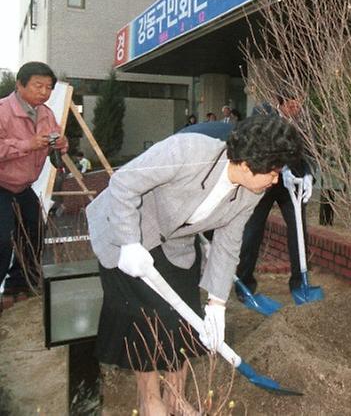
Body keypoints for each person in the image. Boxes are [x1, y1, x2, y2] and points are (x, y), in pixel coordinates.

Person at [87, 115, 302, 415]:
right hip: (126, 228)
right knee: (149, 319)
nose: (275, 179)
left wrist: (217, 304)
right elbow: (123, 182)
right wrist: (129, 242)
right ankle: (150, 400)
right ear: (251, 162)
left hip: (175, 242)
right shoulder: (188, 152)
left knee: (187, 322)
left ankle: (175, 397)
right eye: (274, 172)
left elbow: (228, 244)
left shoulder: (252, 192)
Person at [234, 96, 314, 298]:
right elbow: (255, 144)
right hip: (265, 180)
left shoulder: (304, 120)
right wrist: (280, 166)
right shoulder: (262, 113)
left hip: (291, 184)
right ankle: (245, 283)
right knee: (253, 230)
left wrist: (308, 173)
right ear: (283, 103)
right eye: (294, 105)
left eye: (300, 104)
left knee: (298, 230)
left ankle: (299, 283)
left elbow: (312, 150)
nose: (298, 109)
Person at [0, 62, 67, 296]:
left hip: (22, 186)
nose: (44, 92)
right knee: (3, 240)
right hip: (2, 185)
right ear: (20, 84)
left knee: (34, 231)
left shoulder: (46, 113)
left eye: (49, 87)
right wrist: (27, 144)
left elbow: (56, 140)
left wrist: (60, 144)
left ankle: (20, 284)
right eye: (38, 86)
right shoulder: (2, 110)